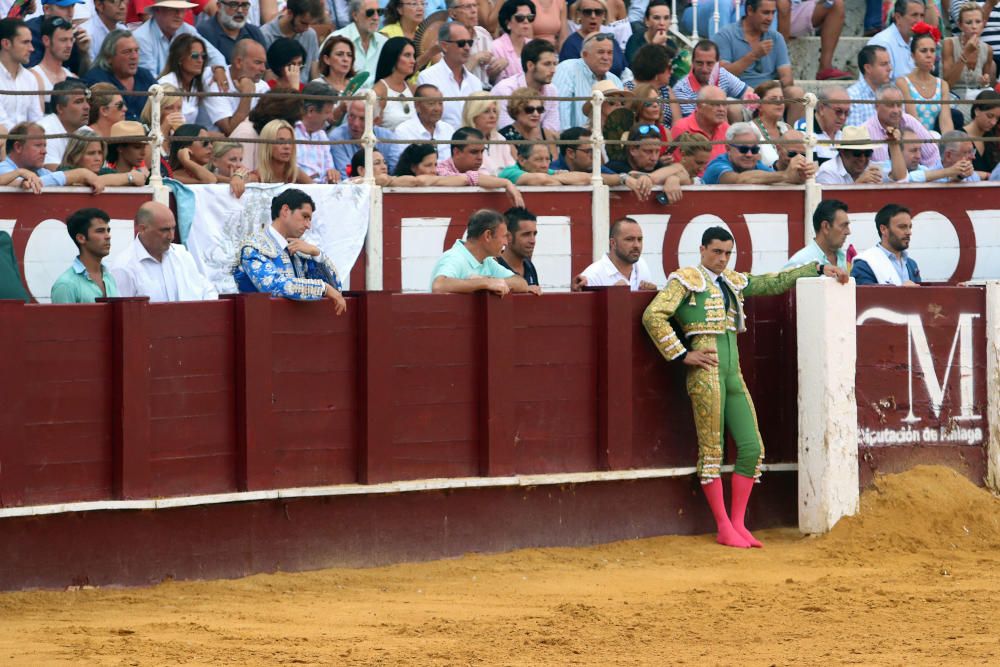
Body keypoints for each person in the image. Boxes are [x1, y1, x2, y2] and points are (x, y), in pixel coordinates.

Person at [642, 225, 847, 548]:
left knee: (753, 447)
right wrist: (682, 354)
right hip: (706, 373)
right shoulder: (684, 280)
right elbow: (653, 315)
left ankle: (738, 523)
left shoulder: (734, 282)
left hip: (732, 373)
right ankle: (723, 526)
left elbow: (774, 282)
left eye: (727, 253)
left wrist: (818, 268)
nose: (722, 259)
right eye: (716, 252)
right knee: (712, 452)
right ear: (702, 250)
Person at [234, 188, 347, 310]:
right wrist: (322, 288)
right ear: (286, 211)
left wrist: (317, 254)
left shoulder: (301, 251)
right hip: (259, 325)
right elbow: (273, 285)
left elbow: (336, 290)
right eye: (305, 216)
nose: (308, 225)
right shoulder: (253, 248)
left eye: (310, 220)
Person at [715, 0, 805, 123]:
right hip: (740, 96)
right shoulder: (726, 35)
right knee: (732, 107)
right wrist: (753, 55)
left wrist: (769, 91)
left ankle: (790, 138)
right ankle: (740, 142)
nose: (770, 18)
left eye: (773, 13)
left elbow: (787, 78)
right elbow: (722, 74)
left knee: (797, 93)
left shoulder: (776, 37)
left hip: (770, 95)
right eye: (765, 13)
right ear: (750, 10)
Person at [110, 201, 218, 302]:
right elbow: (123, 314)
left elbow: (206, 289)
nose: (171, 236)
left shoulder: (181, 254)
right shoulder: (124, 266)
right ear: (142, 229)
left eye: (173, 228)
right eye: (164, 230)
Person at [430, 208, 531, 294]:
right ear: (487, 236)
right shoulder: (454, 257)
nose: (506, 243)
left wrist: (487, 281)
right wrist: (485, 283)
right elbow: (439, 286)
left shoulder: (487, 261)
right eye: (504, 236)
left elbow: (521, 283)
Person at [550, 125, 655, 199]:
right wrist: (622, 178)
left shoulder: (594, 167)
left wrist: (643, 177)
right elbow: (615, 178)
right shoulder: (552, 168)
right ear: (570, 153)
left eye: (595, 150)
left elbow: (614, 177)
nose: (595, 156)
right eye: (588, 151)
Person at [133, 0, 227, 78]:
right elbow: (149, 79)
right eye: (173, 10)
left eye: (182, 10)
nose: (179, 15)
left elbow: (215, 55)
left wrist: (219, 68)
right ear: (158, 10)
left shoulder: (187, 29)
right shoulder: (141, 38)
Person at [0, 120, 103, 192]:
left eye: (45, 145)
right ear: (18, 147)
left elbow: (40, 182)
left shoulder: (40, 171)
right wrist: (80, 174)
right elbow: (27, 185)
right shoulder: (3, 168)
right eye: (38, 145)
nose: (44, 151)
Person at [417, 22, 484, 129]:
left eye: (470, 43)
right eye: (461, 43)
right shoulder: (427, 77)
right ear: (444, 46)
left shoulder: (475, 82)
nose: (467, 47)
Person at [702, 122, 814, 185]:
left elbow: (777, 180)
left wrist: (801, 176)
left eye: (754, 150)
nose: (750, 154)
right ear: (728, 148)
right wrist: (785, 175)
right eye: (743, 149)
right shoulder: (717, 166)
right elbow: (740, 180)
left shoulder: (757, 165)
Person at [437, 126, 525, 206]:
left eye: (482, 151)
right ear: (457, 152)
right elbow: (472, 177)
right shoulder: (440, 170)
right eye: (474, 152)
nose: (480, 157)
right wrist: (507, 183)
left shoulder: (480, 168)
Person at [82, 29, 157, 123]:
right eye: (127, 52)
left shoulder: (145, 76)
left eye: (136, 51)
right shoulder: (96, 80)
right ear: (109, 57)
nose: (134, 56)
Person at [553, 33, 623, 129]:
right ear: (585, 54)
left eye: (610, 53)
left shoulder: (615, 81)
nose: (606, 58)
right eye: (601, 52)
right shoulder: (567, 69)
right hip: (574, 141)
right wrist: (568, 142)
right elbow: (560, 112)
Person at [201, 38, 270, 136]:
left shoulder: (263, 87)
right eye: (258, 63)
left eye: (264, 64)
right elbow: (232, 131)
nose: (263, 69)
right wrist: (247, 95)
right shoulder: (216, 81)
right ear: (238, 62)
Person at [50, 208, 119, 304]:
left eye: (108, 230)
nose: (108, 236)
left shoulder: (109, 278)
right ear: (81, 238)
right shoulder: (66, 285)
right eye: (100, 231)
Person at [673, 39, 752, 120]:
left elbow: (750, 95)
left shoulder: (722, 74)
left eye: (710, 63)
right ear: (692, 62)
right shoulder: (681, 89)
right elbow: (693, 123)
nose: (704, 69)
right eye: (699, 63)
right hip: (697, 129)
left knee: (732, 106)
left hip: (722, 126)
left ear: (718, 63)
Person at [605, 124, 690, 198]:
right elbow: (594, 177)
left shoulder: (657, 165)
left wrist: (674, 179)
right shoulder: (615, 166)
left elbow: (685, 175)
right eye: (648, 151)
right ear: (633, 150)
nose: (654, 158)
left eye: (657, 151)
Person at [573, 218, 656, 291]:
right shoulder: (592, 277)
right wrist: (612, 295)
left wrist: (652, 296)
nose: (636, 245)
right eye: (629, 239)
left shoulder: (642, 265)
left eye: (640, 239)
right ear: (613, 243)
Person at [493, 38, 559, 131]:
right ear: (530, 65)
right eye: (547, 64)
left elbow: (552, 131)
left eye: (554, 64)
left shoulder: (552, 90)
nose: (553, 70)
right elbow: (507, 132)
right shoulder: (505, 90)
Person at [864, 84, 938, 167]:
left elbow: (932, 155)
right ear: (877, 106)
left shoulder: (910, 121)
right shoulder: (866, 131)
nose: (896, 110)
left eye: (899, 105)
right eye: (890, 105)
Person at [898, 24, 954, 133]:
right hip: (912, 139)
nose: (929, 55)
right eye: (923, 51)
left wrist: (949, 144)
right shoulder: (903, 82)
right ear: (913, 55)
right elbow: (913, 119)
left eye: (932, 51)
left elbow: (946, 121)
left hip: (934, 141)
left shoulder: (942, 84)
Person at [774, 0, 850, 80]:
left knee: (836, 3)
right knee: (782, 4)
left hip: (794, 8)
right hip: (770, 9)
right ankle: (775, 64)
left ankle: (825, 68)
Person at [851, 203, 922, 286]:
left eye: (910, 227)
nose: (909, 232)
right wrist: (902, 292)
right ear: (883, 229)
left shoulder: (911, 264)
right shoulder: (865, 264)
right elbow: (865, 297)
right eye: (902, 227)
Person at [329, 99, 403, 177]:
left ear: (375, 120)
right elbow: (346, 178)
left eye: (362, 119)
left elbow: (397, 172)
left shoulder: (388, 137)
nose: (355, 123)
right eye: (352, 116)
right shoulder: (337, 138)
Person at [942, 3, 995, 107]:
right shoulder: (949, 44)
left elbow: (985, 84)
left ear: (983, 23)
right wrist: (966, 53)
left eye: (978, 22)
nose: (974, 26)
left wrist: (985, 81)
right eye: (968, 22)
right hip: (954, 98)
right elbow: (947, 84)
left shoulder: (987, 49)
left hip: (977, 100)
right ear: (960, 25)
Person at [58, 128, 151, 187]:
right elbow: (89, 181)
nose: (98, 158)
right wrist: (130, 177)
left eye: (100, 153)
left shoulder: (105, 172)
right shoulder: (63, 170)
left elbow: (139, 179)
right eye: (91, 153)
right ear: (75, 155)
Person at [815, 124, 906, 184]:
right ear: (842, 152)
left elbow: (899, 177)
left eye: (867, 153)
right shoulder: (827, 171)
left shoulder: (871, 167)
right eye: (857, 153)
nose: (863, 158)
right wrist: (859, 184)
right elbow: (830, 208)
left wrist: (893, 145)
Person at [559, 0, 626, 77]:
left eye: (598, 12)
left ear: (604, 15)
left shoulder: (611, 41)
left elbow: (625, 71)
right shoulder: (571, 44)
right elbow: (567, 75)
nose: (593, 16)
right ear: (579, 15)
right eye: (587, 12)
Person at [260, 0, 322, 82]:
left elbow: (315, 71)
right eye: (303, 23)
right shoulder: (265, 35)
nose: (307, 28)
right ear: (289, 13)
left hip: (306, 91)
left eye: (310, 24)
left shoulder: (310, 34)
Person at [157, 33, 213, 124]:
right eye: (195, 56)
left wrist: (219, 69)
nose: (200, 60)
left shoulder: (195, 83)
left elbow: (221, 69)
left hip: (189, 136)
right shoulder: (165, 84)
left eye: (203, 56)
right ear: (180, 58)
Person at [669, 85, 729, 169]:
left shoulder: (726, 129)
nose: (722, 109)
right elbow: (679, 167)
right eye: (715, 104)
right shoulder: (681, 128)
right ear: (699, 106)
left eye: (724, 104)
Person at [26, 0, 91, 76]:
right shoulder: (29, 33)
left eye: (72, 6)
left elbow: (85, 78)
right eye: (64, 7)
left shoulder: (73, 33)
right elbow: (32, 76)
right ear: (47, 9)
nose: (71, 13)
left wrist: (83, 53)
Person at [0, 18, 44, 131]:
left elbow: (37, 120)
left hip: (25, 144)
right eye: (25, 42)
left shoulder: (30, 79)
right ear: (6, 43)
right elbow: (2, 124)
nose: (31, 49)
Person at [394, 84, 456, 162]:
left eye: (440, 103)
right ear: (417, 105)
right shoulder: (403, 131)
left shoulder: (448, 129)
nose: (437, 108)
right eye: (431, 103)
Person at [328, 0, 386, 83]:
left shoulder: (384, 42)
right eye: (370, 12)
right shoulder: (336, 39)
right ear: (355, 15)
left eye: (380, 12)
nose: (376, 17)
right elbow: (323, 78)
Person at [624, 43, 680, 129]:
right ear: (657, 68)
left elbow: (677, 125)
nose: (672, 71)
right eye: (669, 67)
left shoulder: (667, 90)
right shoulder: (628, 91)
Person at [294, 81, 340, 183]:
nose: (330, 117)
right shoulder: (290, 133)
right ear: (311, 111)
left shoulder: (322, 135)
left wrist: (332, 173)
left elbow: (329, 168)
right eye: (327, 112)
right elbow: (289, 170)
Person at [784, 198, 850, 270]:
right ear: (826, 227)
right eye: (843, 225)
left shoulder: (842, 258)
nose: (848, 232)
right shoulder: (800, 263)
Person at [448, 0, 503, 87]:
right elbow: (450, 80)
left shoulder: (483, 33)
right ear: (452, 14)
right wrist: (474, 59)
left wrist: (499, 66)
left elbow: (490, 76)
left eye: (475, 5)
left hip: (486, 92)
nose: (474, 11)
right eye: (468, 7)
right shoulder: (448, 39)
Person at [38, 78, 89, 168]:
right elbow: (53, 171)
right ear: (60, 108)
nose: (87, 107)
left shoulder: (87, 131)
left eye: (86, 101)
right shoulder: (44, 131)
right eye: (78, 102)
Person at [868, 0, 925, 79]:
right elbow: (883, 85)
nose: (919, 21)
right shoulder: (883, 43)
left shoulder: (914, 41)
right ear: (898, 17)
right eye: (914, 15)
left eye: (922, 16)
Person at [462, 92, 516, 174]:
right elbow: (478, 173)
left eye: (494, 111)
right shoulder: (463, 140)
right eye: (486, 111)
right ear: (473, 115)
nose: (493, 116)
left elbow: (512, 169)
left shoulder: (499, 138)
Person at [196, 0, 266, 63]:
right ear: (219, 6)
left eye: (244, 5)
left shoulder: (254, 33)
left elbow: (266, 68)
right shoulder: (203, 33)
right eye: (233, 5)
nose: (240, 10)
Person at [499, 87, 558, 161]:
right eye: (529, 110)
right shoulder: (504, 137)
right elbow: (515, 167)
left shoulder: (546, 134)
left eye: (539, 109)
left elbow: (555, 163)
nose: (536, 114)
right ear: (516, 110)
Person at [371, 36, 416, 131]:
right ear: (393, 57)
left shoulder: (413, 89)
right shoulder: (379, 91)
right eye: (407, 55)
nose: (413, 61)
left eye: (413, 55)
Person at [498, 142, 593, 185]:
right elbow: (541, 179)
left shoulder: (546, 172)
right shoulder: (509, 172)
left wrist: (552, 180)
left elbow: (585, 178)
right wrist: (565, 181)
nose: (544, 165)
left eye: (547, 159)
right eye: (538, 159)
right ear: (522, 160)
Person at [796, 85, 850, 162]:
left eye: (847, 112)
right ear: (821, 108)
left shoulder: (846, 133)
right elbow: (811, 168)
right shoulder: (805, 128)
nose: (843, 117)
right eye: (838, 111)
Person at [845, 45, 892, 127]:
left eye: (889, 63)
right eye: (883, 64)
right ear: (868, 68)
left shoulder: (892, 94)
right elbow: (855, 135)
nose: (890, 68)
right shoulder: (852, 97)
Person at [254, 118, 313, 183]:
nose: (287, 146)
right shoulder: (256, 177)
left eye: (290, 142)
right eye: (280, 141)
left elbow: (317, 190)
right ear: (267, 145)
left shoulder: (296, 174)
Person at [29, 15, 73, 99]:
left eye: (71, 40)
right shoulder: (32, 77)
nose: (69, 45)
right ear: (46, 40)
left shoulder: (73, 78)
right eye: (63, 40)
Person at [497, 205, 540, 290]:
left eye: (534, 234)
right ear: (508, 237)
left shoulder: (529, 266)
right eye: (526, 235)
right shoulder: (493, 266)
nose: (533, 241)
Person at [492, 0, 536, 82]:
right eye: (520, 18)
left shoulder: (534, 46)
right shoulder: (496, 47)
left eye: (530, 17)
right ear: (508, 23)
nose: (526, 21)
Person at [750, 80, 789, 167]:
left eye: (782, 99)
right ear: (759, 105)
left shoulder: (787, 128)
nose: (780, 102)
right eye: (773, 99)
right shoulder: (750, 130)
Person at [964, 89, 1000, 174]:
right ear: (977, 111)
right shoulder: (960, 137)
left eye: (997, 118)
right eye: (990, 116)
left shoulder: (993, 137)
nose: (993, 122)